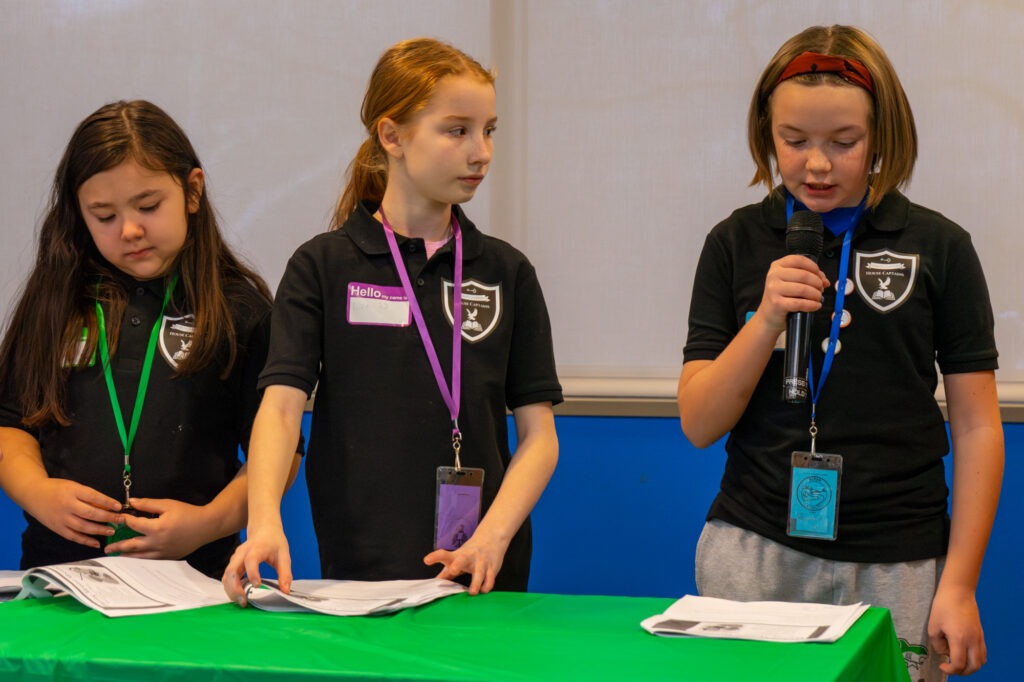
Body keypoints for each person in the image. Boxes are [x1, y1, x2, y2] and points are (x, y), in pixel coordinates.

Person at [677, 25, 1003, 681]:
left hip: (899, 558)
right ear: (766, 136)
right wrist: (766, 318)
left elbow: (975, 423)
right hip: (755, 547)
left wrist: (960, 583)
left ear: (882, 138)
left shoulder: (939, 246)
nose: (817, 164)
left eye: (843, 143)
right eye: (794, 142)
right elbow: (699, 423)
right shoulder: (735, 242)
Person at [222, 37, 561, 601]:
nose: (482, 152)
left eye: (489, 130)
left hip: (481, 570)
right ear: (392, 136)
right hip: (360, 568)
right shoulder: (322, 266)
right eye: (457, 130)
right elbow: (281, 409)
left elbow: (539, 437)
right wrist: (263, 522)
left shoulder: (506, 271)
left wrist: (493, 538)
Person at [0, 100, 299, 578]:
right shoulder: (54, 300)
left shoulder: (238, 308)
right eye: (104, 215)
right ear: (79, 214)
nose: (131, 230)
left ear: (192, 192)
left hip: (196, 581)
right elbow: (10, 422)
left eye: (148, 206)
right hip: (60, 580)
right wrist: (38, 493)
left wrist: (205, 525)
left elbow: (278, 456)